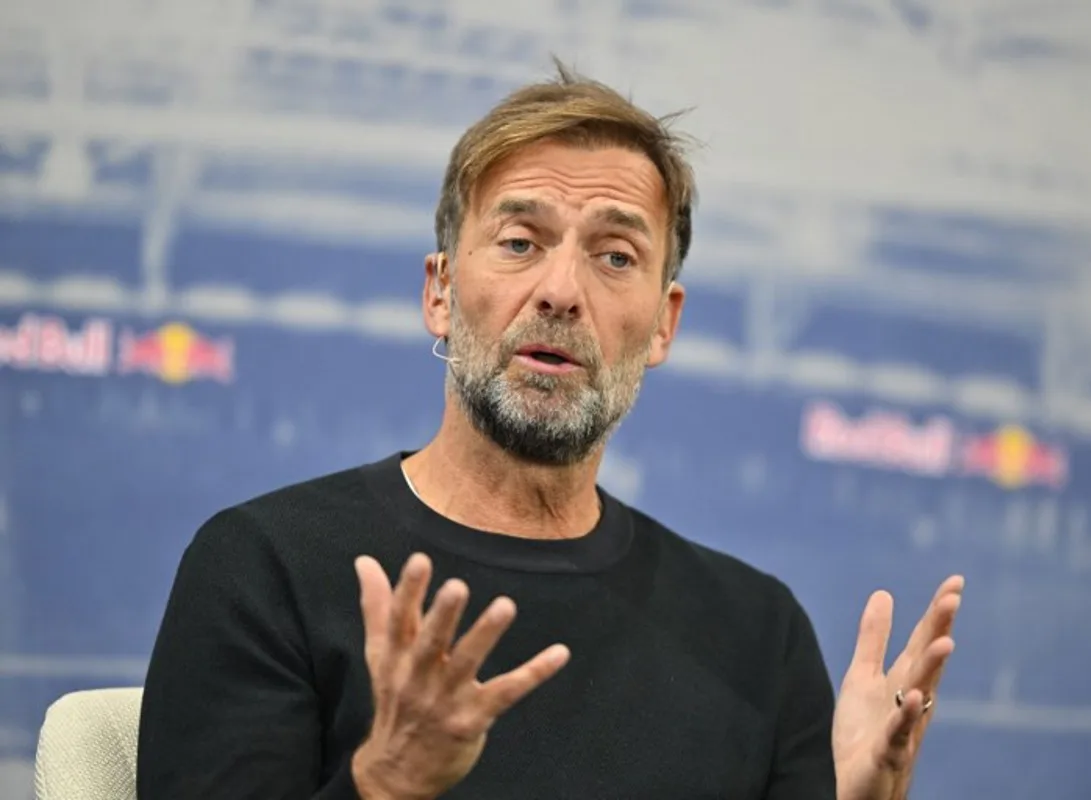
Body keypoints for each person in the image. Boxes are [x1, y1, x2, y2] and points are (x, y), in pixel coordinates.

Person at [136, 61, 963, 800]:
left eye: (614, 257)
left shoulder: (758, 631)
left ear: (664, 324)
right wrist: (386, 785)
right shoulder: (265, 567)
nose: (561, 290)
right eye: (521, 241)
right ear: (441, 291)